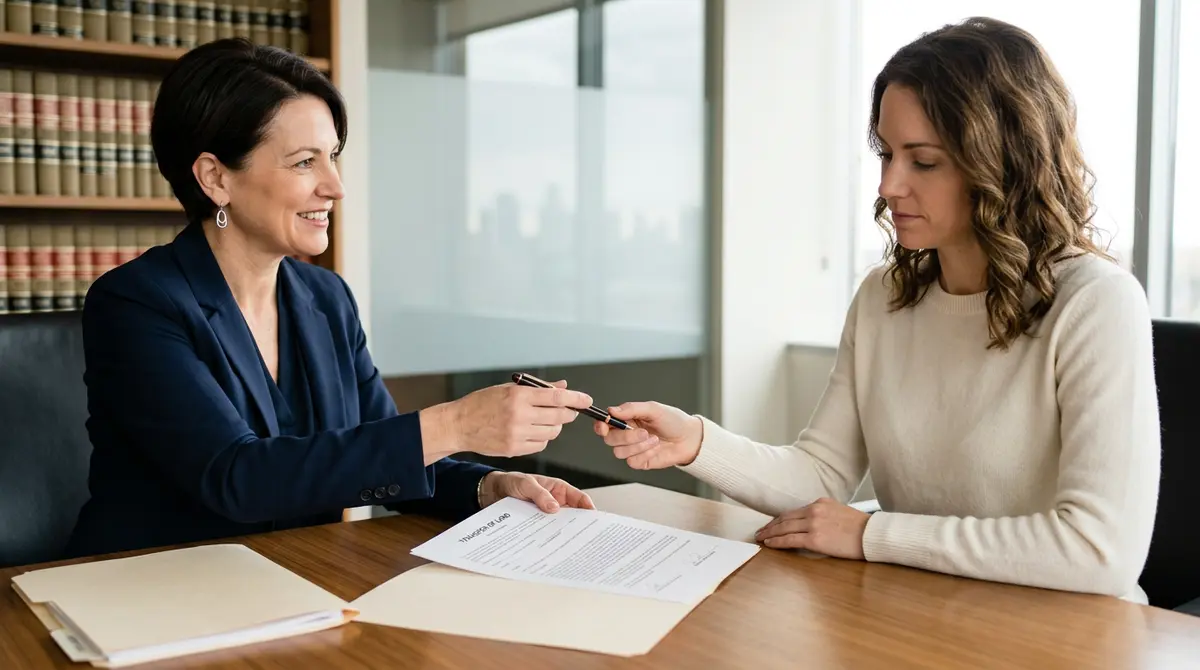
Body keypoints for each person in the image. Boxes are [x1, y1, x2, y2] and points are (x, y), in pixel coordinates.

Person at [594, 17, 1161, 602]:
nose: (890, 184)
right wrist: (694, 442)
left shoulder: (1095, 302)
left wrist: (872, 534)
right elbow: (819, 476)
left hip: (1076, 639)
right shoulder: (884, 298)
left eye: (924, 161)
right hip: (930, 614)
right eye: (887, 154)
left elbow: (1101, 554)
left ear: (1003, 161)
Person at [65, 38, 594, 558]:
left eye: (333, 156)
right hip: (152, 594)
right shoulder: (135, 303)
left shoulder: (326, 297)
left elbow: (376, 448)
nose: (335, 186)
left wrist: (489, 487)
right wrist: (456, 425)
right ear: (216, 177)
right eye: (304, 162)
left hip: (296, 583)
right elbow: (236, 478)